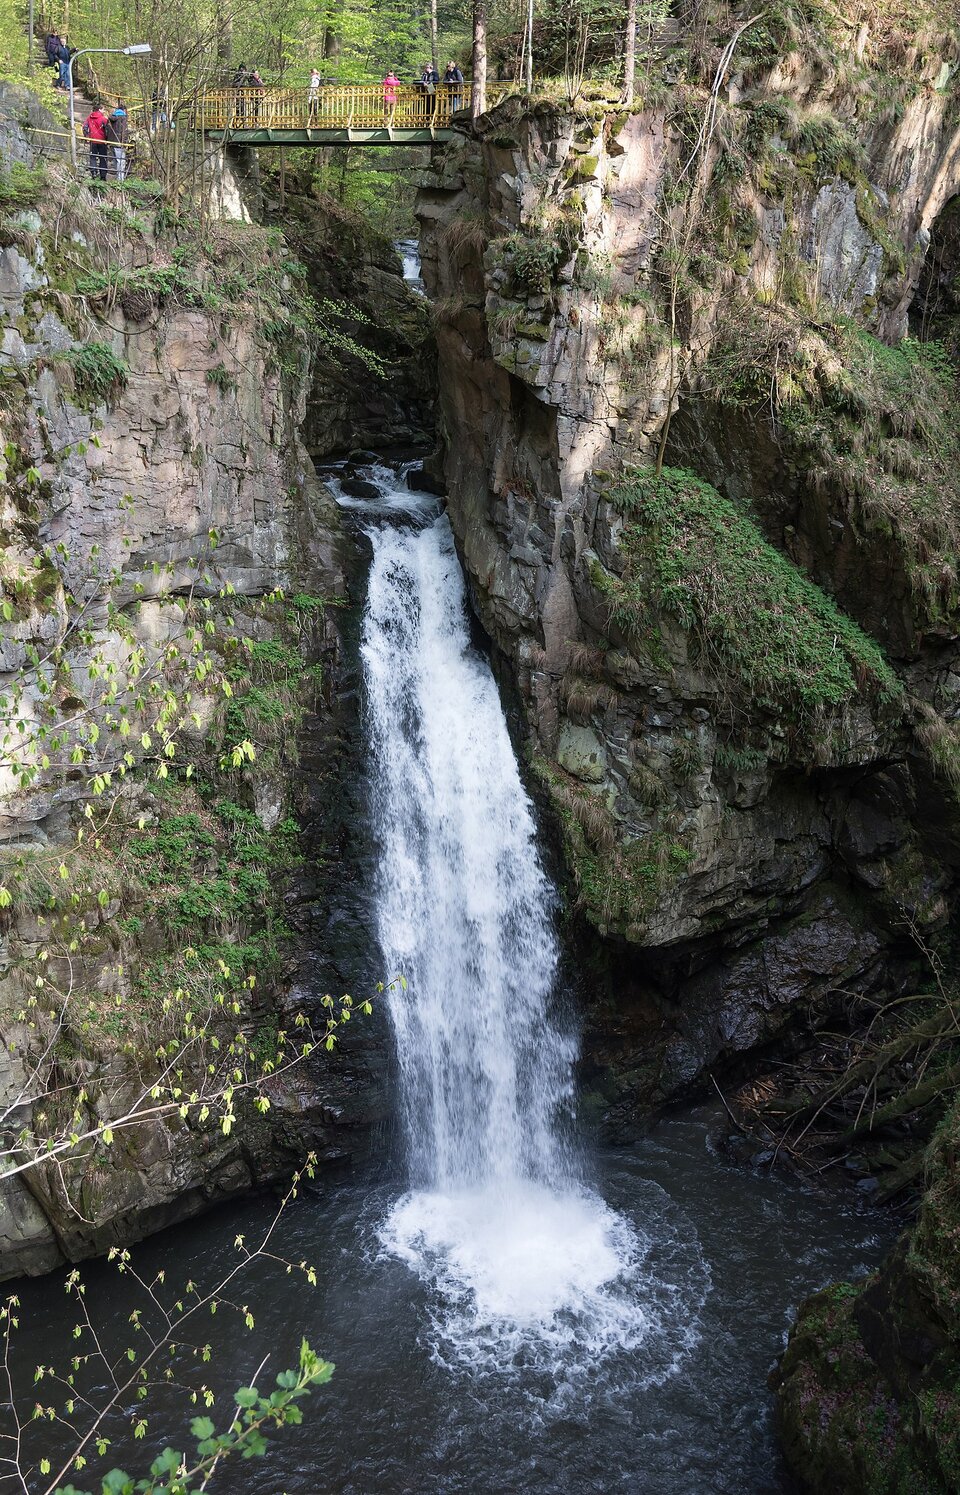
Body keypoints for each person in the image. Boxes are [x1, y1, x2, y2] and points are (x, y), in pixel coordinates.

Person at [82, 103, 110, 181]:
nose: (104, 111)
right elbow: (107, 129)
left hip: (92, 140)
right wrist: (107, 139)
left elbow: (84, 127)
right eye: (103, 109)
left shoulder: (89, 118)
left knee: (93, 157)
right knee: (103, 158)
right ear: (99, 109)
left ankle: (93, 173)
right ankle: (103, 175)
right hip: (102, 140)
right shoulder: (103, 119)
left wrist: (87, 136)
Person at [105, 104, 129, 181]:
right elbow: (124, 132)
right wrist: (125, 142)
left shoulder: (111, 118)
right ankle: (120, 179)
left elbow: (107, 129)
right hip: (119, 142)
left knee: (116, 160)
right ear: (124, 110)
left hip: (111, 141)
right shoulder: (123, 118)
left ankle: (116, 177)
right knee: (121, 160)